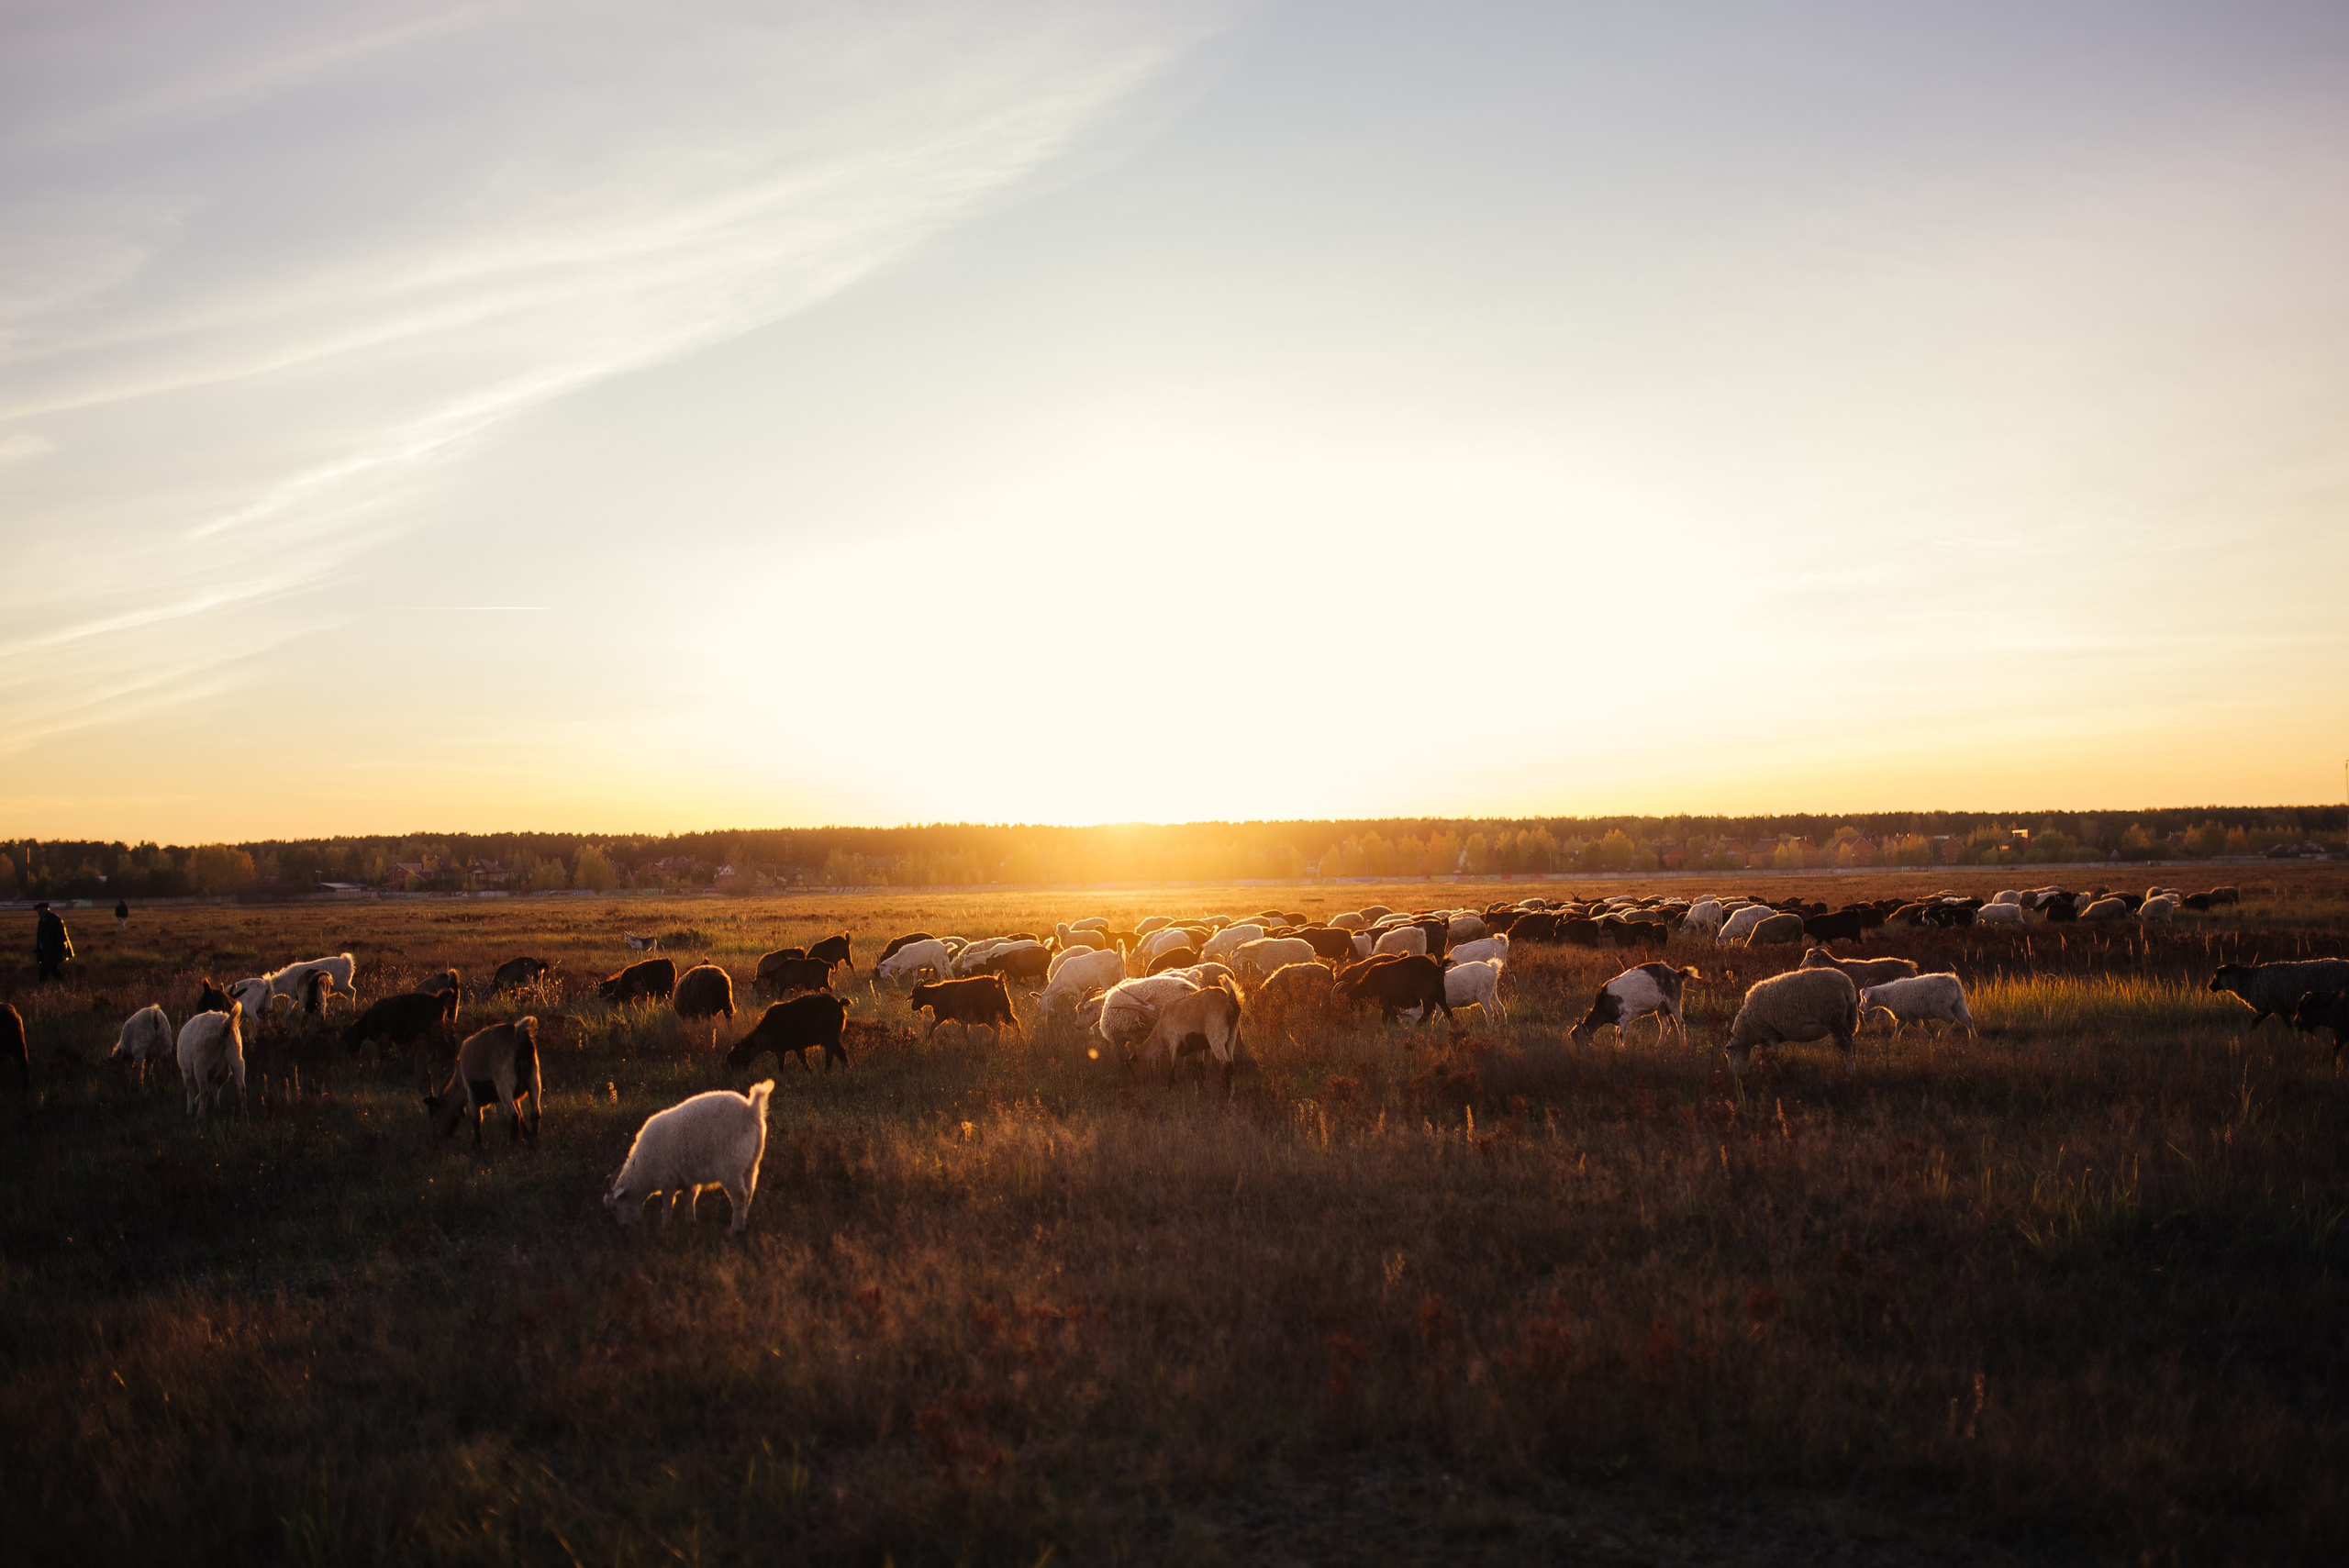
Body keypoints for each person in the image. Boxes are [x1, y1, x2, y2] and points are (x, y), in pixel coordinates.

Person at [34, 901, 73, 984]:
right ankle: (61, 984)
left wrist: (59, 949)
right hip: (45, 950)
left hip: (53, 950)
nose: (39, 913)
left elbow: (62, 936)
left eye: (40, 911)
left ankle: (58, 983)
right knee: (49, 968)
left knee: (48, 968)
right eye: (38, 911)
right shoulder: (42, 921)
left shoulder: (55, 919)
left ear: (46, 909)